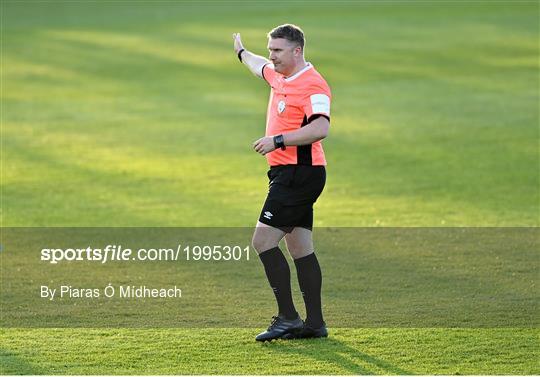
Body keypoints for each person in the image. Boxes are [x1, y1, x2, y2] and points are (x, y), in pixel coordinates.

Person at [232, 24, 332, 342]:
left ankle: (288, 317)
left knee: (262, 242)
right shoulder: (279, 75)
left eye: (278, 50)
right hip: (287, 173)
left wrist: (278, 139)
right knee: (300, 247)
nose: (272, 56)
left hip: (299, 174)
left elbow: (320, 128)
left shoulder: (314, 85)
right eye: (271, 49)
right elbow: (257, 64)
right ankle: (314, 323)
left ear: (297, 51)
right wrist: (241, 52)